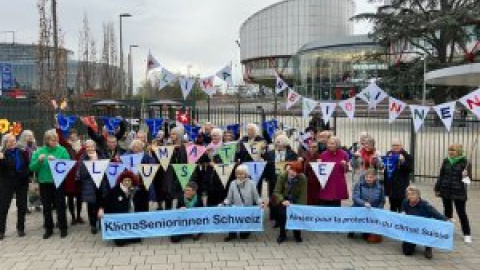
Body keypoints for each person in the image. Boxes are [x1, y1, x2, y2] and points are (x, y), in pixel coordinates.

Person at [29, 129, 70, 239]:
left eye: (56, 140)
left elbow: (68, 165)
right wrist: (39, 161)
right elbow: (32, 167)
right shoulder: (39, 151)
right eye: (53, 140)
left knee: (60, 205)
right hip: (44, 182)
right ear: (47, 140)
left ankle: (63, 228)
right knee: (46, 207)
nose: (55, 142)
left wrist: (57, 161)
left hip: (58, 182)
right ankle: (49, 228)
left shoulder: (62, 150)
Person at [434, 143, 472, 243]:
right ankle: (447, 231)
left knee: (461, 213)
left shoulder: (465, 162)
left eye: (453, 150)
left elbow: (468, 180)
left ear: (458, 152)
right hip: (445, 189)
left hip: (459, 191)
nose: (451, 152)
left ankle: (467, 234)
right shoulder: (446, 161)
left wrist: (465, 175)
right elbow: (441, 175)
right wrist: (437, 188)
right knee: (447, 212)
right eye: (449, 150)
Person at [98, 170, 146, 247]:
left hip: (130, 220)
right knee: (120, 243)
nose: (127, 182)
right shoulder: (114, 190)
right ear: (121, 180)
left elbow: (142, 205)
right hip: (118, 222)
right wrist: (101, 209)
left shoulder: (135, 191)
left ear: (132, 181)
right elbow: (104, 200)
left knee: (137, 239)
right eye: (125, 180)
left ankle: (129, 235)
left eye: (129, 180)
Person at [402, 185, 450, 259]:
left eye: (413, 194)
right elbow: (403, 212)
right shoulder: (405, 202)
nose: (410, 196)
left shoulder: (425, 205)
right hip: (412, 228)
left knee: (428, 231)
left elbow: (436, 214)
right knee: (407, 252)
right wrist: (402, 213)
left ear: (418, 195)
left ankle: (428, 246)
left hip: (424, 228)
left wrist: (446, 220)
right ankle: (413, 242)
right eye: (408, 194)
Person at [262, 134, 298, 225]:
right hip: (273, 179)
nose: (277, 143)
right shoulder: (270, 154)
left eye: (279, 141)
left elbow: (294, 166)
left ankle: (285, 216)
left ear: (285, 143)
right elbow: (266, 166)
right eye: (276, 141)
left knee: (284, 197)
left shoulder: (292, 154)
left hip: (286, 179)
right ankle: (275, 217)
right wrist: (266, 177)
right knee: (273, 197)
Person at [0, 134, 30, 240]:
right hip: (7, 183)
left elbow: (27, 165)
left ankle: (20, 228)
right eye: (10, 141)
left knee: (22, 206)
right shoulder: (2, 154)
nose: (12, 143)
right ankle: (1, 231)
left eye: (14, 141)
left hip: (21, 183)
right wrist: (1, 160)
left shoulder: (21, 152)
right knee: (3, 207)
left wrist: (26, 175)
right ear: (5, 143)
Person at [222, 165, 263, 242]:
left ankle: (246, 230)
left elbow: (256, 197)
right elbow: (229, 198)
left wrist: (260, 203)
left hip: (246, 210)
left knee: (243, 236)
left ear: (246, 174)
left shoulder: (252, 183)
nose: (239, 176)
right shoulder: (232, 183)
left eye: (241, 174)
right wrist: (223, 204)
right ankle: (232, 234)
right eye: (238, 174)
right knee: (233, 223)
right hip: (235, 209)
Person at [76, 140, 108, 234]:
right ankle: (93, 224)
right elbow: (82, 173)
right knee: (91, 205)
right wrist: (90, 162)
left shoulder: (101, 155)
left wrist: (97, 161)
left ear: (95, 147)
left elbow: (106, 167)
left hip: (101, 184)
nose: (90, 149)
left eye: (91, 146)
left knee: (102, 203)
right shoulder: (83, 157)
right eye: (87, 147)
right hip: (89, 185)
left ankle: (102, 223)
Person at [56, 126, 85, 225]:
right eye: (71, 135)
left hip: (80, 176)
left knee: (80, 198)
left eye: (74, 135)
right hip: (70, 176)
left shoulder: (83, 147)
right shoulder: (67, 146)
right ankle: (73, 217)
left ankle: (78, 216)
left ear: (78, 136)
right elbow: (60, 139)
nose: (72, 137)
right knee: (70, 198)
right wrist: (58, 128)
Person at [273, 162, 307, 243]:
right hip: (284, 199)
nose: (293, 173)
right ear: (289, 169)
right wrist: (282, 200)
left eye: (296, 172)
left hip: (295, 200)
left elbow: (303, 194)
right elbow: (277, 192)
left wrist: (300, 207)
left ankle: (297, 234)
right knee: (282, 215)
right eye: (292, 170)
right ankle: (282, 234)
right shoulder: (282, 176)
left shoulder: (302, 178)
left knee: (297, 215)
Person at [348, 168, 385, 240]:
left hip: (372, 210)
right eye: (367, 177)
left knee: (367, 236)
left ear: (375, 177)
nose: (368, 179)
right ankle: (352, 229)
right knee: (354, 221)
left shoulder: (380, 187)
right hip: (359, 208)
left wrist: (378, 210)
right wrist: (364, 203)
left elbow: (382, 201)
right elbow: (355, 198)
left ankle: (367, 230)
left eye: (371, 177)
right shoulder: (359, 185)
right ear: (364, 177)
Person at [318, 137, 349, 206]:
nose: (330, 145)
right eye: (329, 143)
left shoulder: (343, 154)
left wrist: (345, 165)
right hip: (326, 183)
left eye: (332, 144)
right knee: (325, 203)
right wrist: (318, 164)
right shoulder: (323, 154)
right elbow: (320, 170)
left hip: (337, 183)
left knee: (336, 203)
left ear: (337, 144)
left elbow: (347, 170)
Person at [384, 139, 413, 213]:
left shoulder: (407, 156)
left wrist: (402, 161)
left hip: (401, 187)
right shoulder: (388, 155)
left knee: (402, 208)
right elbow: (385, 169)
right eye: (393, 145)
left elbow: (409, 170)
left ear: (401, 146)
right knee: (392, 208)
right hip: (391, 187)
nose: (395, 147)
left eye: (397, 145)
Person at [17, 130, 41, 212]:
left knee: (35, 187)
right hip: (24, 170)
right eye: (28, 135)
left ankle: (36, 204)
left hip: (33, 169)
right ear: (23, 136)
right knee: (25, 190)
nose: (30, 137)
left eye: (31, 135)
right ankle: (24, 207)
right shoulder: (20, 147)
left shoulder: (34, 146)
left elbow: (36, 156)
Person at [302, 141, 322, 205]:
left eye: (314, 147)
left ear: (317, 148)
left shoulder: (320, 156)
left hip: (317, 181)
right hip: (306, 180)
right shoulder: (304, 156)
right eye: (310, 147)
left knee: (316, 199)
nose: (312, 148)